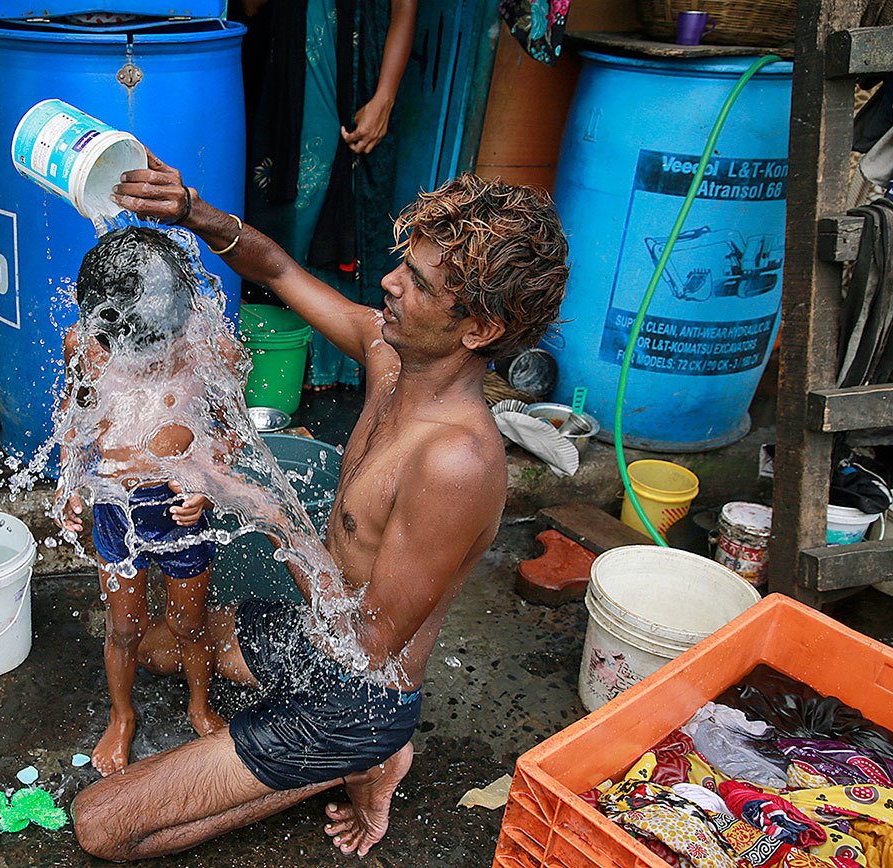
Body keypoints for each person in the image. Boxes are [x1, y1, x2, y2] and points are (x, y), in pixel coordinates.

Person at [66, 153, 569, 859]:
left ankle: (362, 759)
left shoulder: (455, 463)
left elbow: (367, 643)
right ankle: (339, 757)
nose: (389, 282)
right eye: (404, 263)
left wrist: (257, 504)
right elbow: (274, 270)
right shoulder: (387, 354)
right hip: (314, 634)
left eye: (417, 282)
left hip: (356, 696)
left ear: (479, 329)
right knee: (156, 646)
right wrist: (191, 211)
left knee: (100, 826)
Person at [57, 226, 238, 776]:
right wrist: (70, 482)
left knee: (189, 622)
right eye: (121, 351)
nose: (133, 363)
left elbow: (229, 433)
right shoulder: (86, 347)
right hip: (115, 504)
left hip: (178, 507)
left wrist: (204, 482)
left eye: (148, 351)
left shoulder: (212, 349)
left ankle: (199, 704)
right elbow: (75, 419)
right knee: (124, 627)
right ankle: (122, 716)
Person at [237, 0, 418, 390]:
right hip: (285, 79)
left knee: (338, 213)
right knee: (283, 211)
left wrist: (384, 96)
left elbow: (405, 7)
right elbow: (250, 9)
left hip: (354, 76)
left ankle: (327, 367)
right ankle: (277, 361)